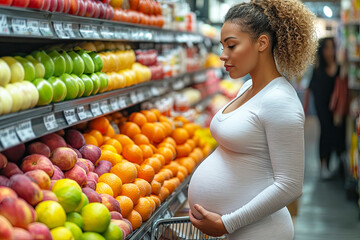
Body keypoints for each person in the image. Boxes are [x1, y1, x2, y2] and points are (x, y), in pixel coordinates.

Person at [187, 0, 318, 239]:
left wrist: (227, 223)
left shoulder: (280, 101)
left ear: (262, 43)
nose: (222, 55)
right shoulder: (247, 88)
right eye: (222, 46)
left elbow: (290, 186)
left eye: (231, 46)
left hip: (261, 231)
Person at [304, 37, 347, 180]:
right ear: (322, 51)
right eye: (327, 48)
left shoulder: (339, 68)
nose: (330, 51)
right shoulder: (318, 70)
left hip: (335, 108)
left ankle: (337, 162)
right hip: (322, 107)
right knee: (326, 131)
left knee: (337, 132)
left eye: (332, 48)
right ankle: (324, 165)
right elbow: (310, 90)